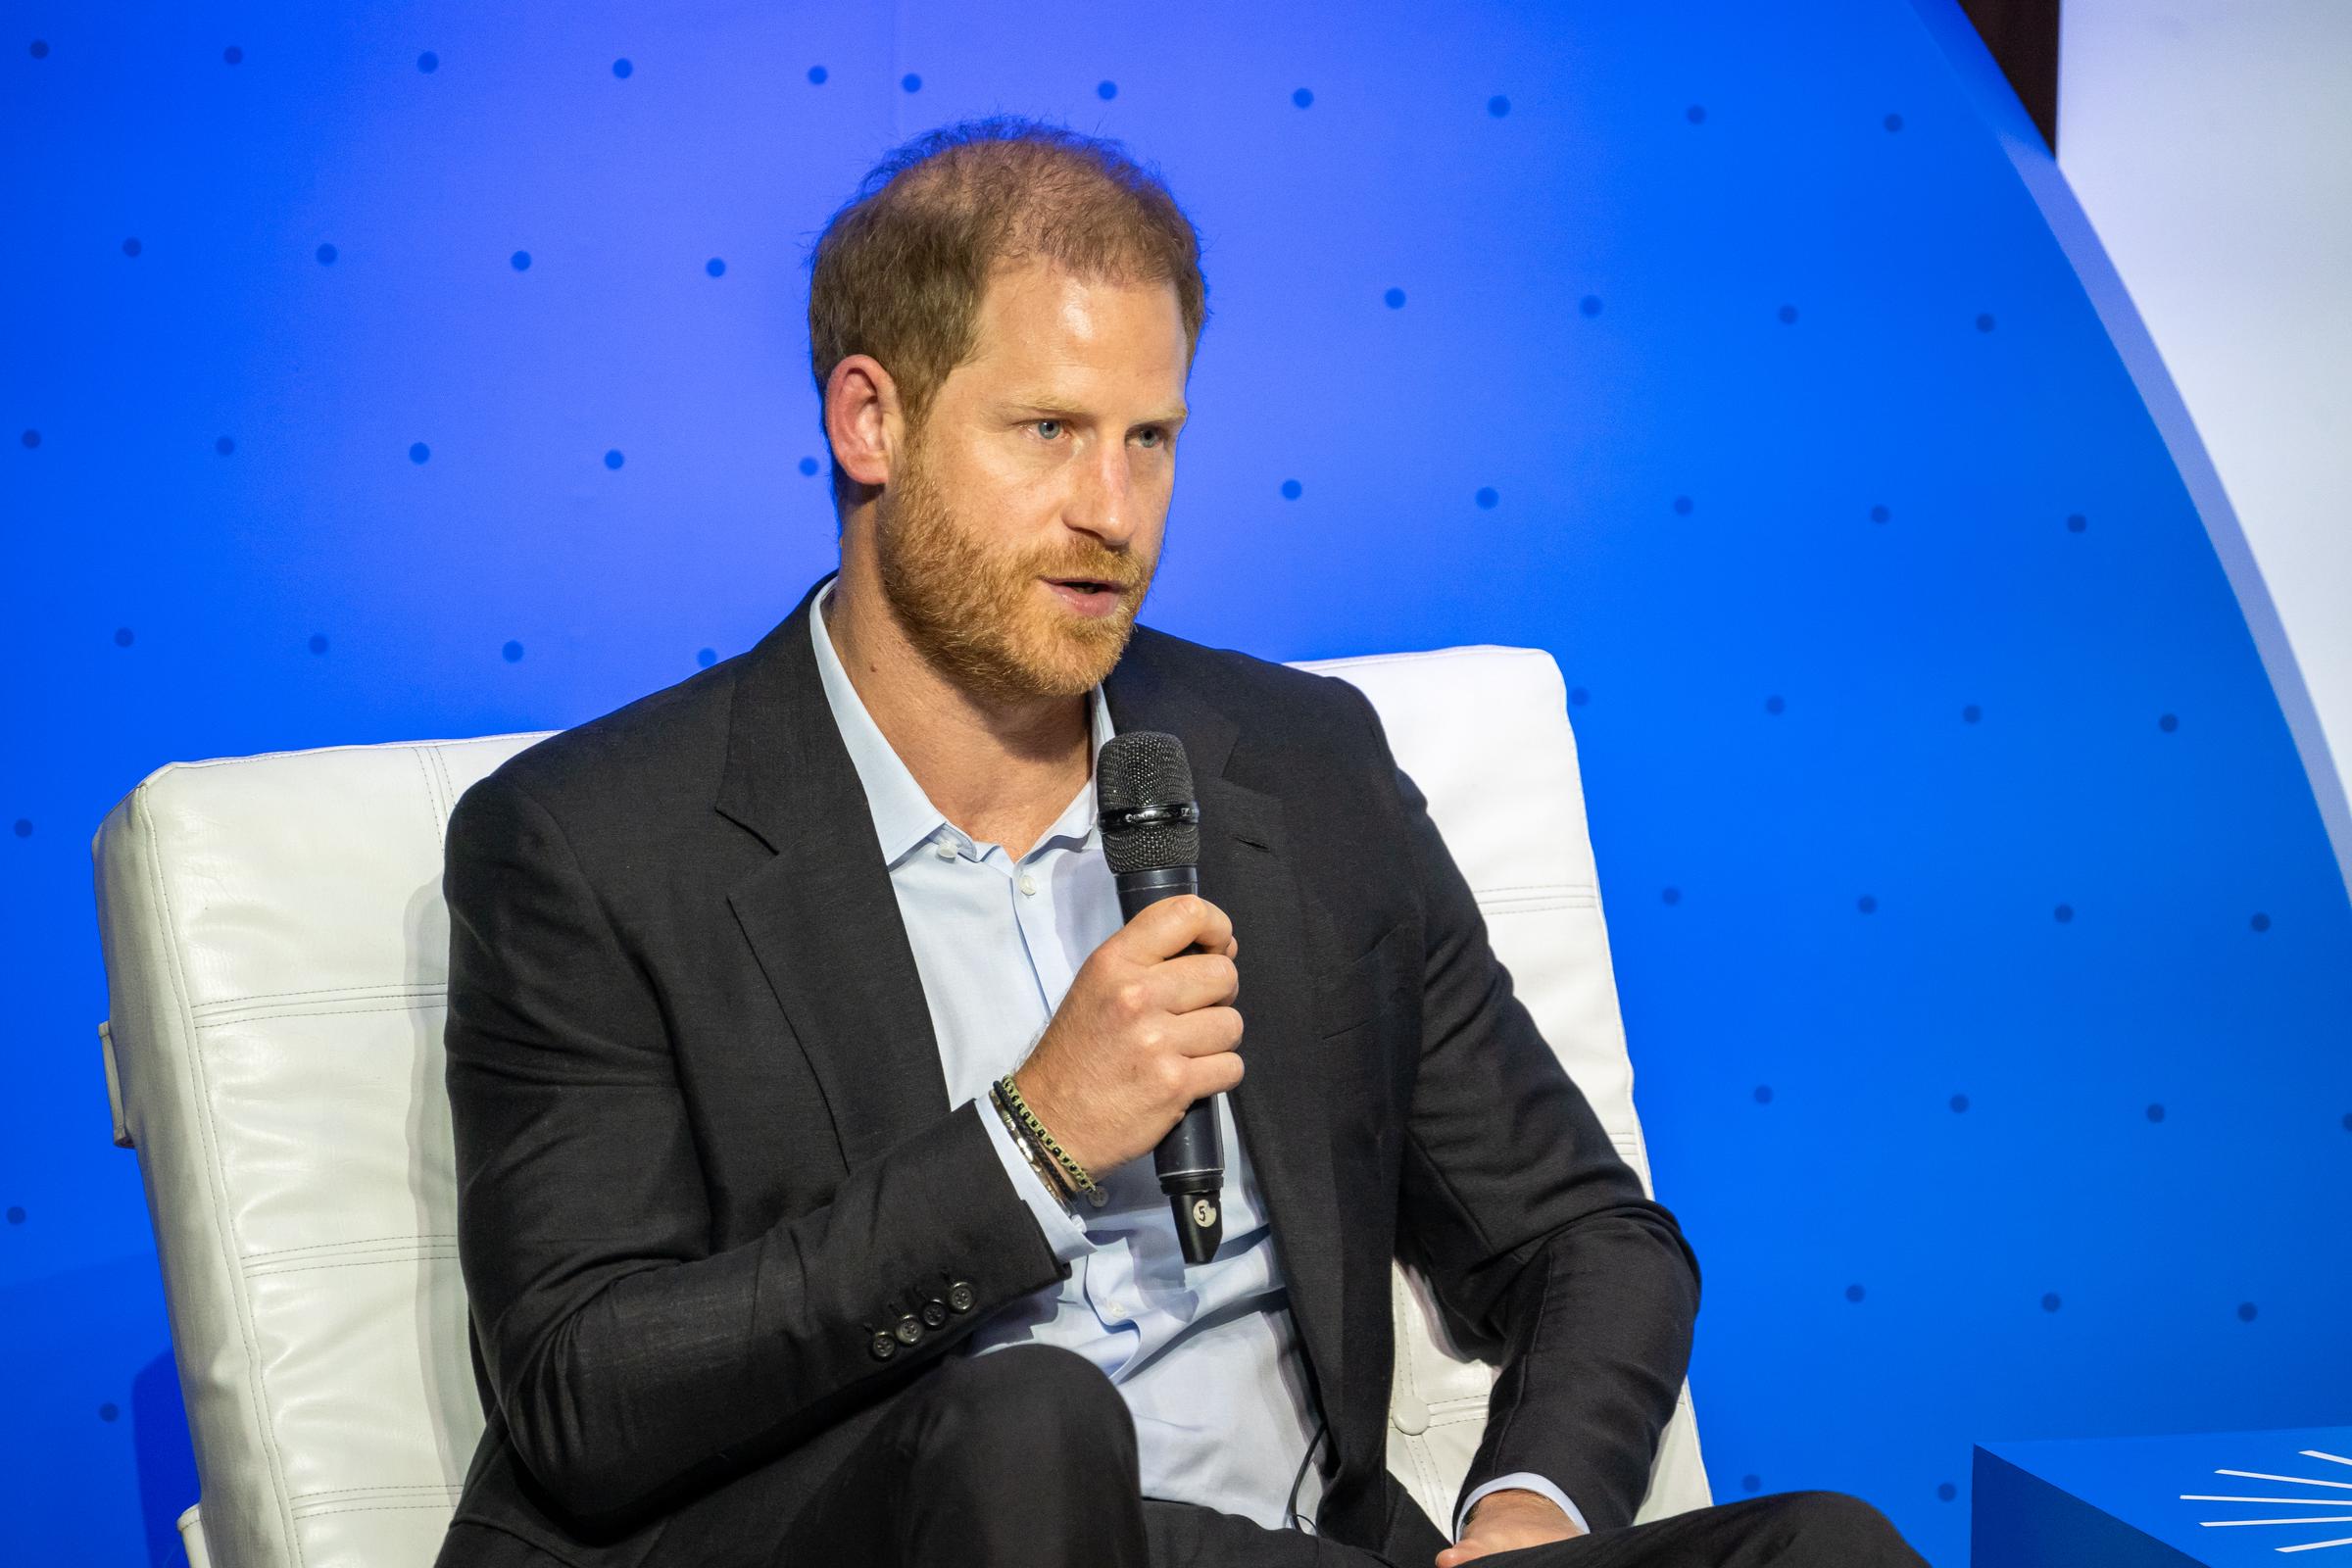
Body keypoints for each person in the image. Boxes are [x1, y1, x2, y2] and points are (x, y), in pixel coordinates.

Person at [431, 116, 1928, 1568]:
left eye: (1152, 439)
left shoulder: (1296, 766)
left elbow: (1586, 1240)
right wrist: (1031, 1143)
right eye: (1049, 433)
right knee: (1033, 1424)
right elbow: (585, 1390)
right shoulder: (594, 842)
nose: (1114, 512)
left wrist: (1529, 1506)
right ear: (868, 420)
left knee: (1828, 1547)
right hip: (943, 1525)